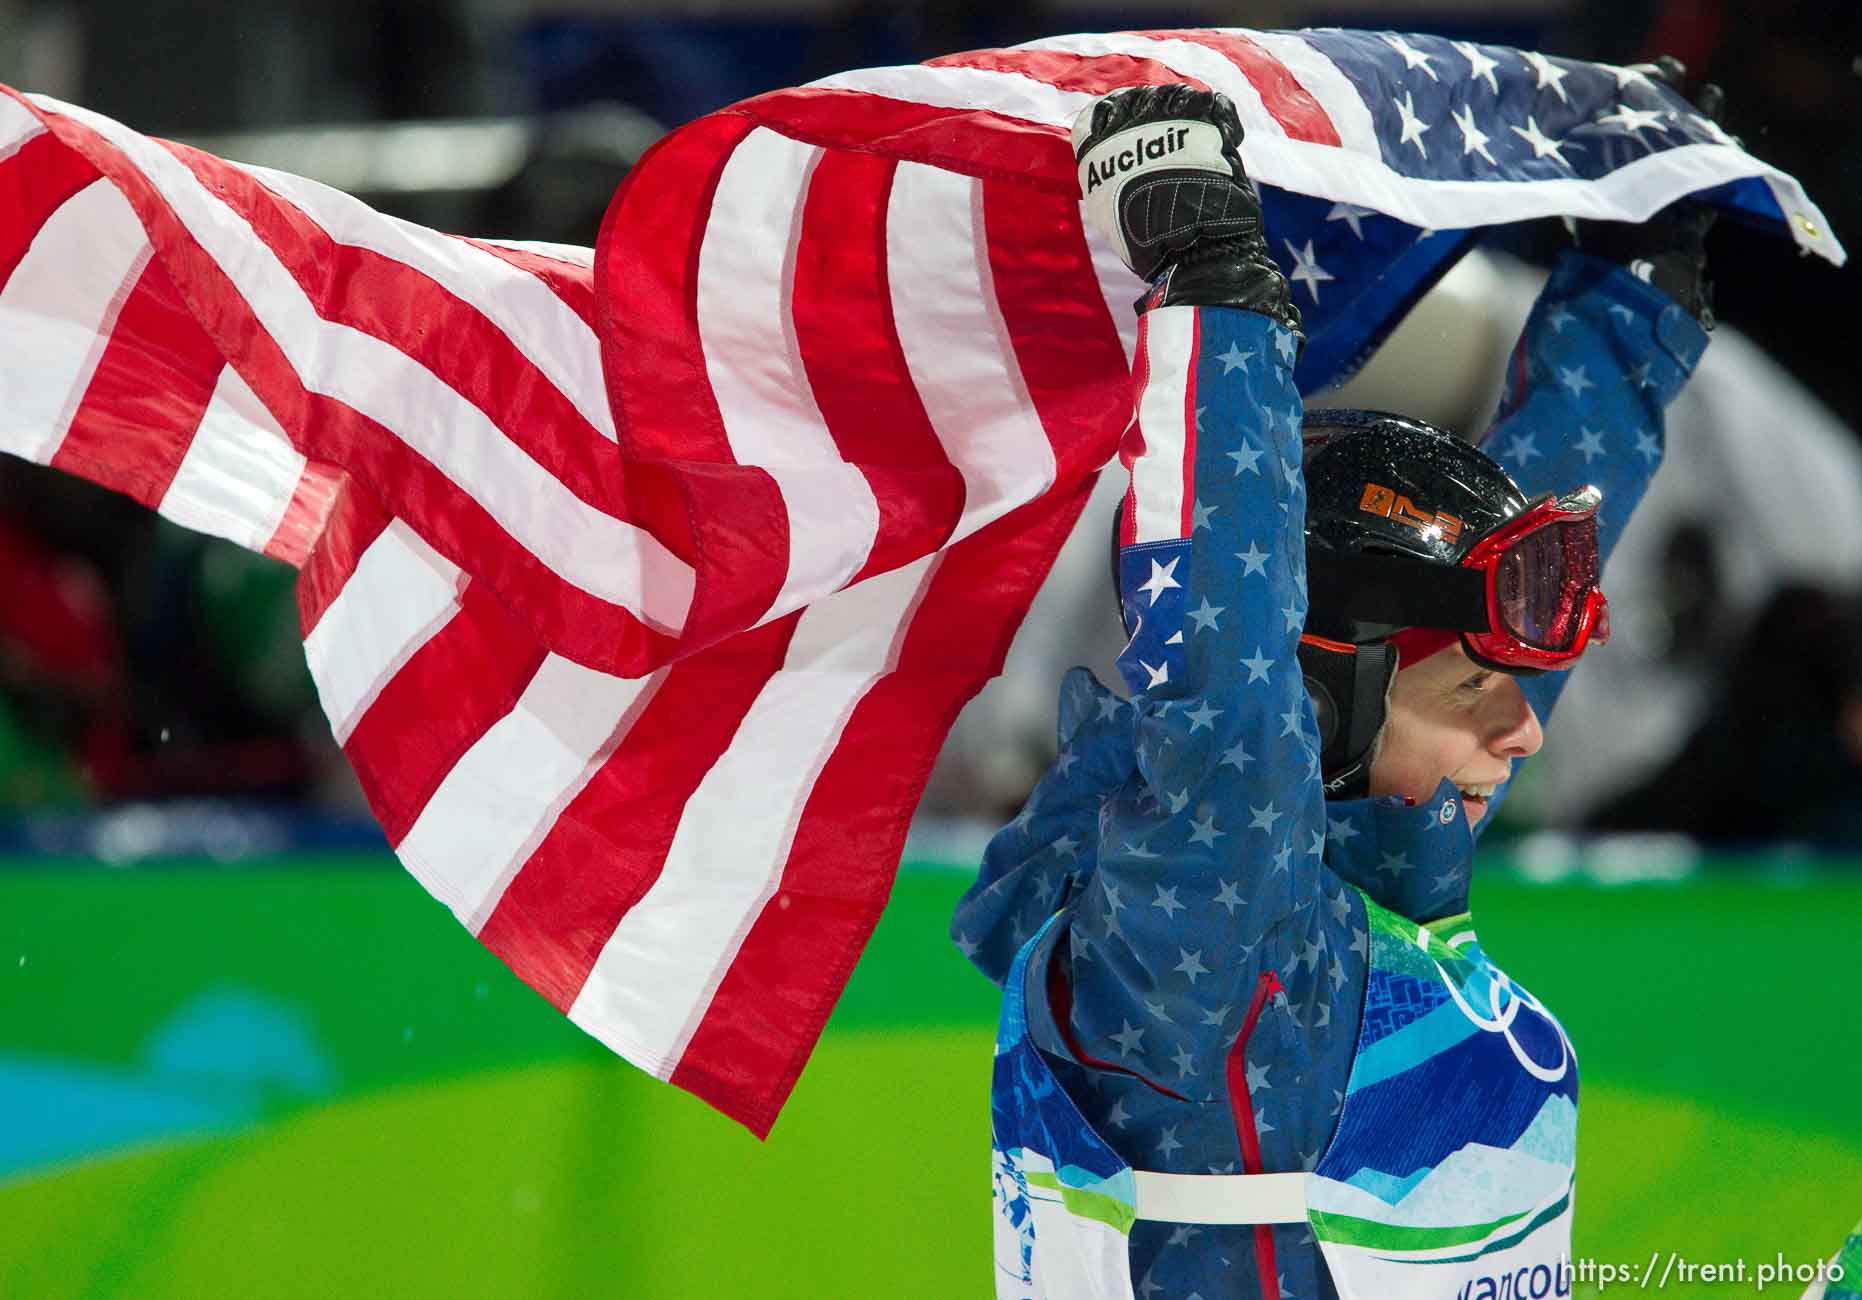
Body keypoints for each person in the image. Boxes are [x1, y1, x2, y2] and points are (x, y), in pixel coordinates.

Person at [954, 83, 1713, 1299]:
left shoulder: (1355, 896)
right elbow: (1224, 670)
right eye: (1475, 691)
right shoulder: (1199, 956)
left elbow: (1440, 641)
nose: (1524, 731)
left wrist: (1640, 273)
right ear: (1316, 704)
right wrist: (1212, 285)